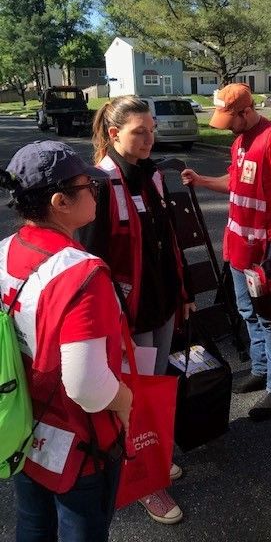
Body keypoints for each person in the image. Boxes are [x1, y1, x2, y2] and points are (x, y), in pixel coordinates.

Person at [0, 140, 132, 542]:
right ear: (60, 201)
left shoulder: (5, 250)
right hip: (79, 442)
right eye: (87, 186)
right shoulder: (83, 274)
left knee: (33, 525)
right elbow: (86, 387)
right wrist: (125, 400)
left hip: (20, 421)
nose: (95, 192)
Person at [79, 95, 195, 525]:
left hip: (162, 305)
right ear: (114, 135)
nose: (149, 139)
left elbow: (169, 244)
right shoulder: (100, 184)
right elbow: (90, 261)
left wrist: (183, 292)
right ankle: (146, 483)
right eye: (139, 132)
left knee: (155, 391)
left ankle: (153, 458)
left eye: (152, 130)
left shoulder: (153, 177)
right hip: (129, 315)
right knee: (133, 400)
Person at [181, 83, 271, 421]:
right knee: (247, 312)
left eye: (228, 118)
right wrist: (202, 180)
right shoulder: (239, 141)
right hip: (240, 247)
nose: (225, 124)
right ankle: (261, 368)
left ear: (246, 111)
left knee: (268, 317)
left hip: (266, 246)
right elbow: (235, 183)